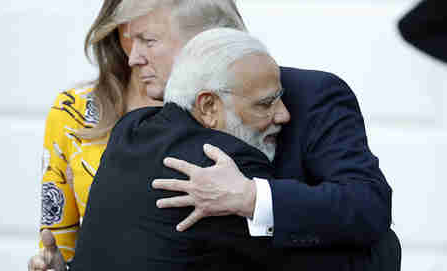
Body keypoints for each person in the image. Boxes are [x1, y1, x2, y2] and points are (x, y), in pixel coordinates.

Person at [30, 0, 401, 270]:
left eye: (149, 40)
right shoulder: (115, 123)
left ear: (208, 40)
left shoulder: (311, 97)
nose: (133, 58)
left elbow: (366, 203)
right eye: (129, 41)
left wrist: (254, 198)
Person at [73, 27, 286, 271]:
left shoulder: (131, 129)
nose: (284, 115)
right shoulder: (227, 162)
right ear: (208, 106)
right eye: (266, 103)